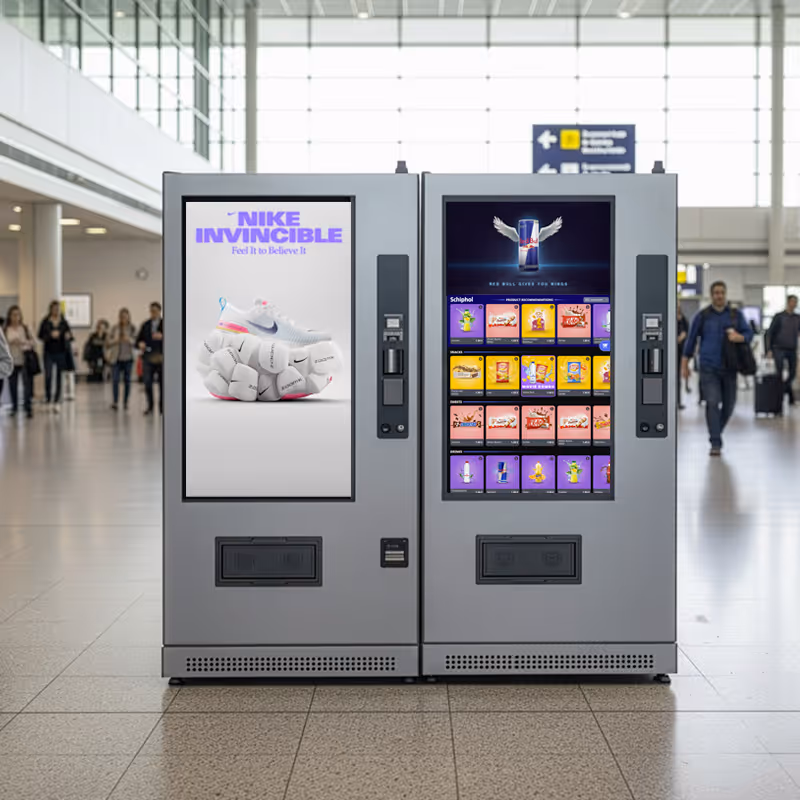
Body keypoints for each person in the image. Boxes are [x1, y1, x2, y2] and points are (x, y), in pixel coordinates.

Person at [682, 281, 753, 456]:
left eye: (722, 292)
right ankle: (715, 442)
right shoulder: (703, 316)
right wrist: (685, 364)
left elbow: (749, 334)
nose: (719, 295)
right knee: (712, 402)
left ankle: (716, 431)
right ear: (711, 295)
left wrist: (739, 337)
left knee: (729, 405)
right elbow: (691, 341)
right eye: (716, 292)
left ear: (725, 294)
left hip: (730, 367)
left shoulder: (736, 315)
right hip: (708, 367)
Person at [38, 300, 73, 412]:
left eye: (58, 309)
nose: (56, 311)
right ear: (50, 310)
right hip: (49, 352)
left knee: (59, 376)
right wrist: (50, 335)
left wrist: (67, 336)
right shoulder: (45, 321)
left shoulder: (64, 322)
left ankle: (57, 398)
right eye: (54, 309)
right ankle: (48, 397)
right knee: (48, 375)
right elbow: (40, 335)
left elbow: (70, 335)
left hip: (61, 352)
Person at [766, 294, 800, 407]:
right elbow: (769, 333)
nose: (794, 304)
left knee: (792, 374)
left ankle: (782, 391)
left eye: (796, 302)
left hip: (792, 349)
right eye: (792, 302)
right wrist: (769, 349)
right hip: (778, 348)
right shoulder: (779, 316)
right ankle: (786, 398)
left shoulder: (797, 318)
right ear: (788, 302)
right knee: (779, 373)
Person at [3, 306, 36, 417]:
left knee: (27, 385)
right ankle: (14, 407)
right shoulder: (6, 329)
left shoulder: (25, 329)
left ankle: (27, 407)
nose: (15, 317)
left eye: (17, 314)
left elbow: (33, 342)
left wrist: (22, 342)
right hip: (11, 360)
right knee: (12, 385)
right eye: (13, 315)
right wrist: (9, 342)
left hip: (24, 360)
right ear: (10, 316)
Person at [106, 309, 137, 411]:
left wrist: (128, 339)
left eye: (125, 316)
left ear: (128, 317)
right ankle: (115, 402)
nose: (123, 318)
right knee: (115, 380)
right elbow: (108, 342)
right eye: (121, 316)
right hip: (116, 359)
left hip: (128, 358)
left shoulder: (132, 328)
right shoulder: (114, 328)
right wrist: (117, 340)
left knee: (127, 381)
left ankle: (125, 402)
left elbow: (136, 342)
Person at [136, 301, 163, 416]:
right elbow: (138, 340)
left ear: (159, 312)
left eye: (155, 311)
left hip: (162, 357)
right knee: (147, 382)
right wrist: (140, 343)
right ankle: (150, 406)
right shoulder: (145, 325)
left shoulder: (165, 324)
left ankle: (162, 407)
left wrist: (163, 336)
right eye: (152, 311)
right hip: (148, 357)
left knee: (163, 384)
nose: (153, 313)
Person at [677, 302, 689, 410]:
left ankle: (678, 401)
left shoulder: (683, 319)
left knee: (678, 378)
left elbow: (687, 331)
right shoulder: (670, 318)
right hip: (672, 352)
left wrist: (683, 335)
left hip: (681, 351)